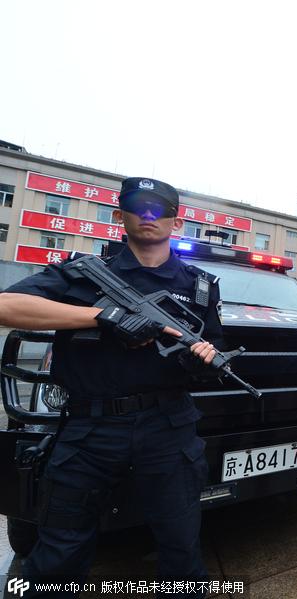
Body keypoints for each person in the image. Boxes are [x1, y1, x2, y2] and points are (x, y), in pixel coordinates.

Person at [0, 177, 220, 596]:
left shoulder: (199, 285)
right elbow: (6, 306)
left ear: (176, 220)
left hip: (167, 427)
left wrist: (202, 361)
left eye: (160, 209)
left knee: (182, 551)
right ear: (120, 216)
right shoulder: (83, 274)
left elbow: (214, 346)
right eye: (140, 207)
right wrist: (100, 318)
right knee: (58, 552)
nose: (150, 216)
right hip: (90, 428)